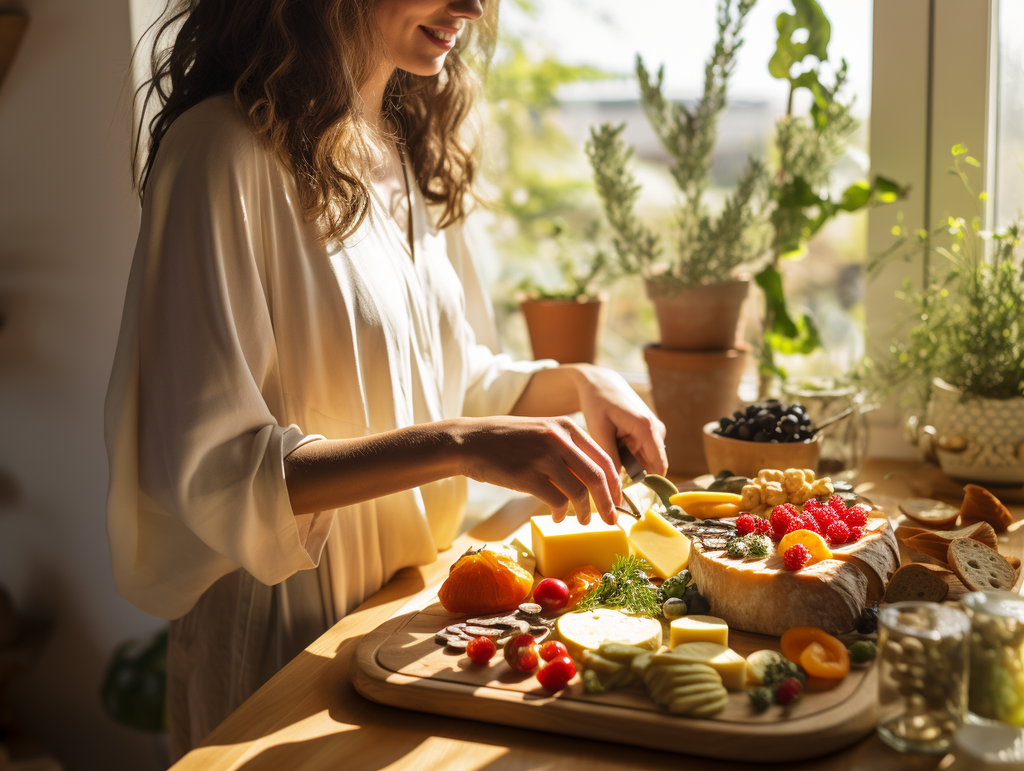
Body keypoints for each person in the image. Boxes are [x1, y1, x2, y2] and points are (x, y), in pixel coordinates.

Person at [105, 0, 666, 759]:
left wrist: (581, 382)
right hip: (284, 642)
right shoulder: (219, 154)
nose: (470, 7)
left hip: (409, 620)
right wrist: (460, 443)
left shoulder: (402, 150)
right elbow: (212, 470)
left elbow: (442, 379)